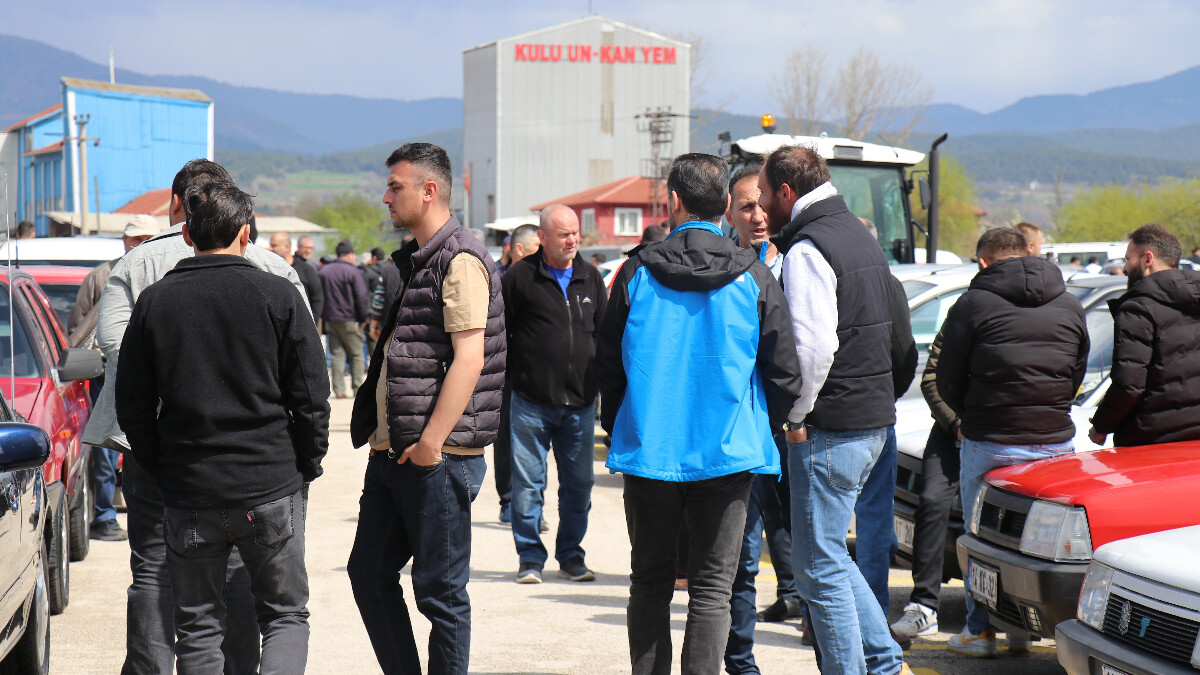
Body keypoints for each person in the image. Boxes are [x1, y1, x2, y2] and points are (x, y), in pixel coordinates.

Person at [83, 158, 309, 675]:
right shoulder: (274, 270)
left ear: (177, 209)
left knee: (157, 574)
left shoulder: (138, 266)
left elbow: (114, 347)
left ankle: (151, 669)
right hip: (260, 460)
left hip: (163, 450)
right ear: (238, 213)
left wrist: (161, 424)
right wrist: (304, 459)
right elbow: (305, 374)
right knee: (249, 581)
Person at [596, 153, 802, 675]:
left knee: (649, 581)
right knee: (713, 590)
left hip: (650, 451)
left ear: (674, 202)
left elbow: (607, 366)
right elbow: (785, 373)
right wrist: (766, 426)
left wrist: (624, 422)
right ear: (727, 205)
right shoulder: (753, 275)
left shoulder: (636, 272)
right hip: (728, 454)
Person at [347, 142, 505, 675]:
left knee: (440, 594)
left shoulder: (459, 258)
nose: (385, 197)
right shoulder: (421, 258)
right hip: (396, 451)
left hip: (437, 455)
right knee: (368, 573)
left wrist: (432, 444)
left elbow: (469, 359)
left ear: (428, 191)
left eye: (395, 186)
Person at [759, 144, 906, 675]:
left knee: (817, 567)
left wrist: (796, 416)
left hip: (831, 428)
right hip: (869, 420)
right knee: (832, 557)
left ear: (786, 192)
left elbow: (813, 349)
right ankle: (885, 663)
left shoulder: (808, 248)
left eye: (763, 195)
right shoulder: (857, 236)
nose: (760, 208)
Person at [937, 227, 1088, 657]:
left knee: (982, 538)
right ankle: (1023, 628)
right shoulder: (1069, 302)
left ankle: (979, 630)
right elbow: (1075, 372)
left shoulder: (972, 303)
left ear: (984, 262)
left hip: (991, 439)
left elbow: (947, 376)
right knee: (1037, 545)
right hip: (1054, 441)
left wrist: (972, 412)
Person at [720, 163, 800, 675]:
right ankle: (741, 659)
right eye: (745, 206)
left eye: (761, 204)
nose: (757, 215)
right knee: (743, 550)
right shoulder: (720, 267)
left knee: (801, 529)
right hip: (740, 431)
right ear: (728, 210)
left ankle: (798, 598)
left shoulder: (796, 263)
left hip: (790, 426)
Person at [503, 204, 606, 584]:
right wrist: (512, 378)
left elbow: (604, 336)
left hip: (579, 405)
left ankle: (571, 555)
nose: (572, 240)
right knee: (528, 484)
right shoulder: (519, 278)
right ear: (542, 238)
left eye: (575, 232)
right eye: (563, 234)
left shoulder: (591, 277)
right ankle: (530, 558)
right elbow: (500, 333)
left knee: (579, 485)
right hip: (530, 402)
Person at [66, 214, 162, 543]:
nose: (140, 244)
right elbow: (77, 327)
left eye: (148, 238)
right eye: (135, 238)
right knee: (107, 448)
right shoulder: (101, 277)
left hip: (153, 377)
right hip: (107, 375)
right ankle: (104, 516)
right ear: (124, 240)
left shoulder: (166, 273)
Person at [853, 217, 918, 617]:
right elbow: (905, 354)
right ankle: (873, 613)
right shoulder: (888, 285)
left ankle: (821, 616)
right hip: (877, 415)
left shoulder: (820, 275)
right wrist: (886, 394)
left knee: (822, 526)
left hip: (828, 418)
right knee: (875, 521)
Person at [1090, 223, 1200, 446]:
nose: (1125, 268)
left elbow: (1129, 384)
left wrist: (1101, 427)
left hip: (1151, 441)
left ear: (1147, 259)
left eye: (1128, 259)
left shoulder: (1138, 307)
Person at [889, 327, 959, 648]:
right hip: (953, 428)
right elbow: (929, 377)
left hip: (1005, 430)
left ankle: (993, 619)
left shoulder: (1051, 309)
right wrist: (956, 423)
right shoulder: (964, 309)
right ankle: (924, 606)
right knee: (931, 499)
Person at [494, 222, 541, 524]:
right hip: (505, 375)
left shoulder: (543, 280)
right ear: (519, 249)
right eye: (538, 248)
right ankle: (509, 500)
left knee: (536, 442)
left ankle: (533, 506)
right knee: (506, 438)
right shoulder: (496, 279)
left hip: (536, 374)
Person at [319, 240, 368, 398]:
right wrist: (363, 317)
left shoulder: (324, 271)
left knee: (336, 354)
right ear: (350, 254)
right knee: (356, 354)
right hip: (350, 319)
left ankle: (339, 390)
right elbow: (361, 297)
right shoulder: (352, 271)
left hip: (331, 319)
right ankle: (357, 387)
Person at [269, 232, 324, 325]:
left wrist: (311, 323)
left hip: (302, 324)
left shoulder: (305, 269)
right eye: (270, 245)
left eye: (274, 246)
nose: (271, 249)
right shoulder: (268, 269)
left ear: (287, 247)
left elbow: (317, 298)